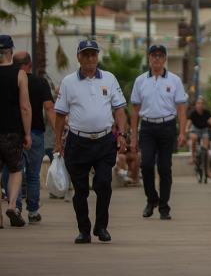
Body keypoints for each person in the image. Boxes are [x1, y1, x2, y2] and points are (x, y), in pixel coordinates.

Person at [53, 39, 128, 244]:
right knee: (81, 190)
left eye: (93, 54)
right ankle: (84, 230)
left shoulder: (109, 79)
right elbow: (60, 115)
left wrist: (122, 134)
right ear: (78, 57)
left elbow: (120, 109)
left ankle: (101, 226)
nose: (90, 58)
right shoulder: (68, 82)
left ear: (97, 57)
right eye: (85, 55)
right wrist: (58, 142)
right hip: (78, 142)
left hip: (104, 140)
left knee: (104, 184)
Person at [129, 44, 188, 220]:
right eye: (153, 55)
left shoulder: (174, 80)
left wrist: (182, 132)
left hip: (167, 126)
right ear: (149, 58)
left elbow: (181, 109)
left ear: (165, 59)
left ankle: (164, 206)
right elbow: (134, 110)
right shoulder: (140, 81)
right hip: (147, 127)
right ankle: (151, 199)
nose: (156, 59)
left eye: (160, 55)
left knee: (164, 168)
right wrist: (133, 135)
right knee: (146, 165)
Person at [10, 51, 53, 223]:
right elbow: (49, 108)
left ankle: (15, 207)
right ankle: (33, 211)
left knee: (13, 171)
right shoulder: (40, 82)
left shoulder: (9, 81)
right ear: (29, 64)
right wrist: (59, 131)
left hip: (12, 133)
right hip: (35, 132)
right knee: (34, 174)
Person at [0, 35, 32, 228]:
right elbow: (25, 107)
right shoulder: (19, 74)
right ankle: (12, 204)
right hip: (12, 131)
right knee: (15, 169)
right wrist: (27, 134)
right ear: (11, 51)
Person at [187, 98, 211, 171]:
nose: (200, 105)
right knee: (194, 138)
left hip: (204, 130)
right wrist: (186, 129)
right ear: (196, 105)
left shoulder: (206, 112)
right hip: (195, 129)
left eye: (202, 103)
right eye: (198, 103)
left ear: (204, 105)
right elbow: (189, 123)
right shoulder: (193, 113)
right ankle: (193, 157)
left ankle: (207, 168)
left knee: (206, 148)